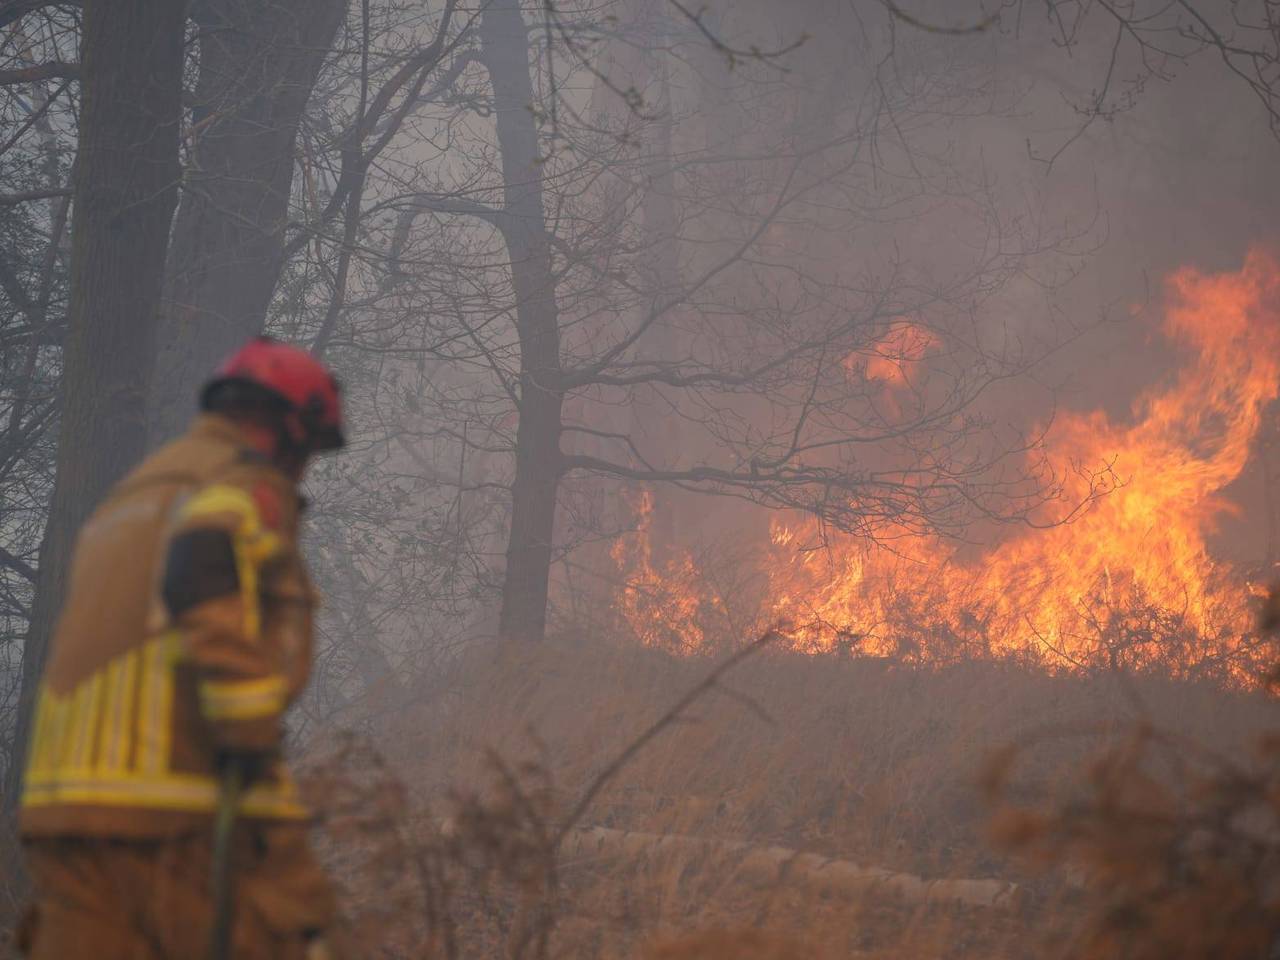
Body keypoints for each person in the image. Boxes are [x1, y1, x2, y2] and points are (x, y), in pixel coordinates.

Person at [17, 337, 346, 959]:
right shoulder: (238, 483)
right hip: (162, 806)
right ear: (286, 429)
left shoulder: (132, 495)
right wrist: (253, 752)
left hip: (60, 810)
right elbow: (202, 576)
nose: (303, 472)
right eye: (309, 452)